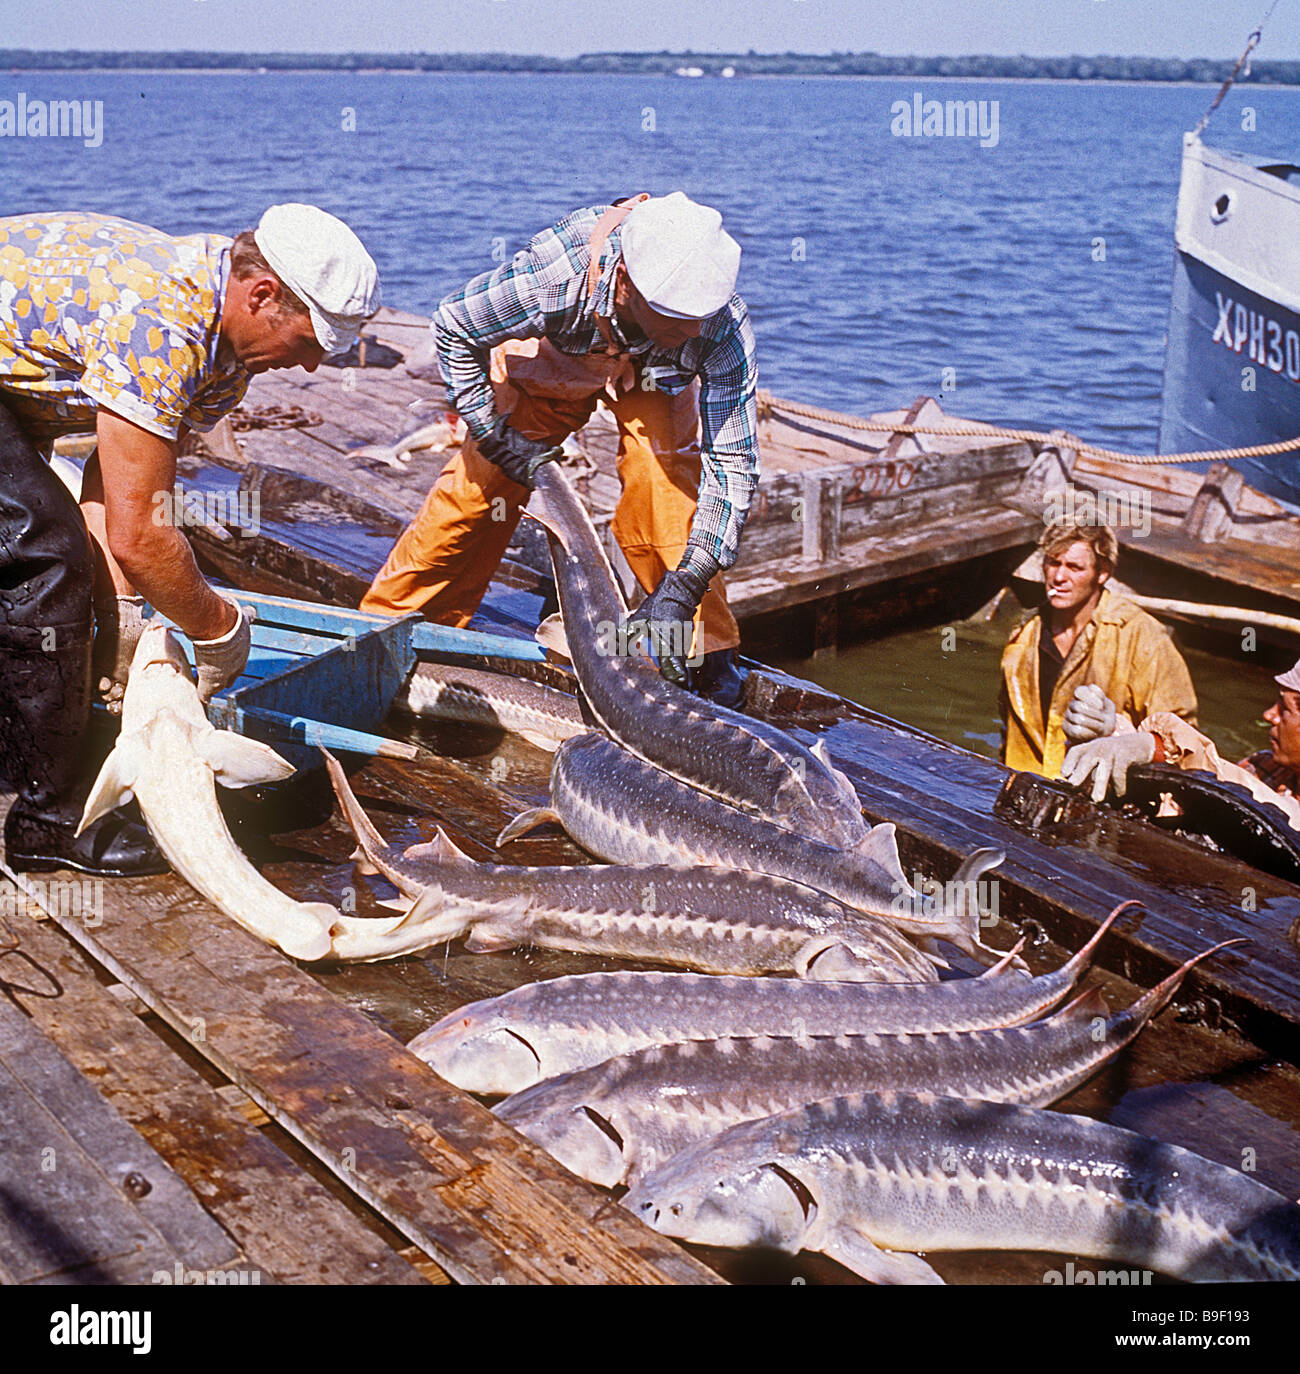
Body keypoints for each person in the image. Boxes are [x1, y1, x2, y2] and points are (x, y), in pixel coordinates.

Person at [0, 204, 380, 875]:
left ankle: (30, 739)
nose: (317, 366)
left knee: (53, 555)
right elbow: (143, 535)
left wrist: (118, 616)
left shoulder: (228, 353)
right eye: (311, 340)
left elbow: (114, 480)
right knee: (46, 556)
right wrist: (218, 628)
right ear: (262, 295)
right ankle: (48, 824)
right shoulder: (164, 322)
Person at [360, 192, 758, 706]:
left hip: (659, 372)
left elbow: (733, 464)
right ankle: (394, 628)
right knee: (482, 489)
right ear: (624, 287)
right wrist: (491, 430)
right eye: (680, 319)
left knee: (663, 483)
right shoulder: (552, 279)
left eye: (703, 317)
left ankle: (697, 647)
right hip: (564, 348)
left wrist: (692, 577)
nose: (697, 332)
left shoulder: (716, 325)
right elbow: (455, 325)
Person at [999, 519, 1197, 778]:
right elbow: (1006, 734)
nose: (1059, 577)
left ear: (1102, 573)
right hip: (1025, 786)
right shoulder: (1024, 633)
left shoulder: (1141, 636)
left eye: (1074, 567)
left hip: (1100, 794)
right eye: (1053, 563)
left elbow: (1182, 741)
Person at [1061, 658, 1300, 831]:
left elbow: (1272, 815)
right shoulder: (1264, 766)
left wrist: (1156, 747)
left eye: (1284, 708)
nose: (1270, 715)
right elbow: (1197, 798)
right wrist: (1113, 732)